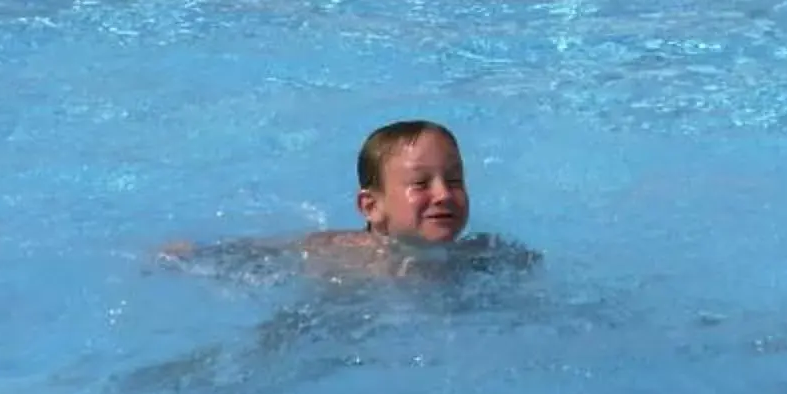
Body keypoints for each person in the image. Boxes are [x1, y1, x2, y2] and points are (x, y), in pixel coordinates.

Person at [158, 119, 531, 283]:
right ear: (371, 206)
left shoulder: (482, 257)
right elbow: (257, 257)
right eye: (420, 183)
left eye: (454, 180)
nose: (444, 194)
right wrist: (192, 256)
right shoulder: (338, 255)